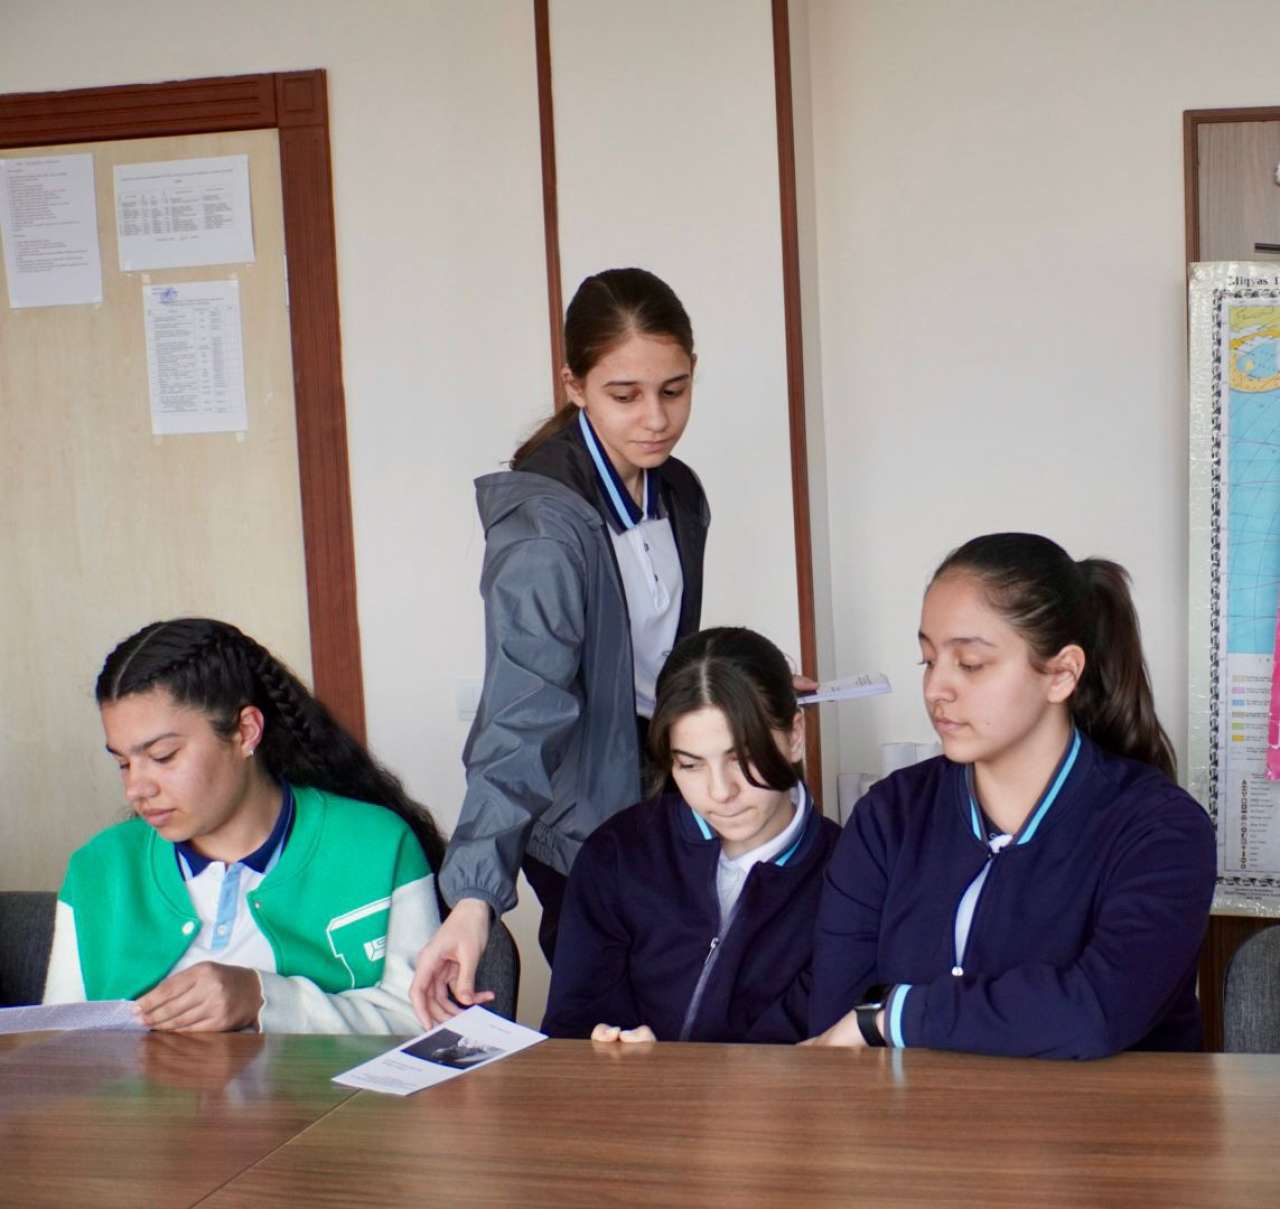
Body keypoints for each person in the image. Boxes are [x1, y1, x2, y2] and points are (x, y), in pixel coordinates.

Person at [412, 268, 711, 1025]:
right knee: (606, 1032)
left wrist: (731, 685)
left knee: (684, 1017)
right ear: (574, 385)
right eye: (625, 395)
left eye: (674, 390)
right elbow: (521, 711)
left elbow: (652, 655)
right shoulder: (544, 533)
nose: (656, 418)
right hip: (582, 828)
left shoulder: (676, 490)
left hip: (661, 794)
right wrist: (474, 896)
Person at [806, 533, 1216, 1059]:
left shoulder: (1161, 829)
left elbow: (1095, 1012)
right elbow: (837, 1027)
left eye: (970, 663)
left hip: (1108, 1114)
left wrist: (898, 1016)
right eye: (928, 660)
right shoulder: (888, 816)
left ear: (1061, 674)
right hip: (909, 1113)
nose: (935, 689)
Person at [44, 618, 446, 1034]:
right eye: (123, 763)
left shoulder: (378, 845)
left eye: (163, 756)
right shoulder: (99, 867)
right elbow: (58, 1044)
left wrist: (262, 997)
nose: (136, 789)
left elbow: (421, 1022)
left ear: (245, 731)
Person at [542, 627, 840, 1043]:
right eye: (690, 765)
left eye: (743, 757)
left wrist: (676, 1070)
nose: (720, 792)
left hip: (770, 1090)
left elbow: (822, 1047)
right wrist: (608, 1052)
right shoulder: (617, 853)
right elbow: (569, 1027)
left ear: (795, 735)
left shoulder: (848, 875)